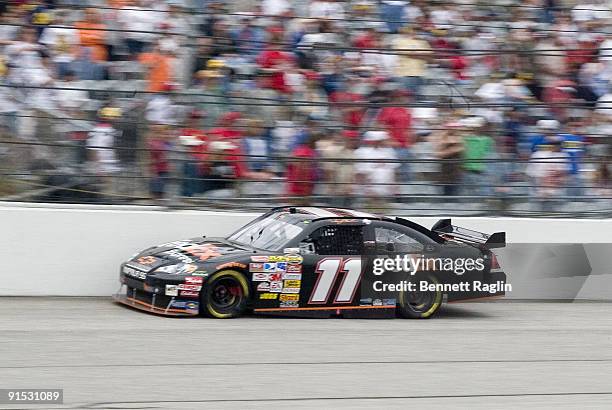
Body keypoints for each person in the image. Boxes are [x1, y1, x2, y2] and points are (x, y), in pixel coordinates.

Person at [354, 130, 399, 210]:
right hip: (369, 192)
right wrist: (367, 189)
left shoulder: (389, 151)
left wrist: (394, 184)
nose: (386, 142)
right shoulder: (362, 152)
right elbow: (360, 173)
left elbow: (393, 169)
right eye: (383, 140)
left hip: (385, 191)